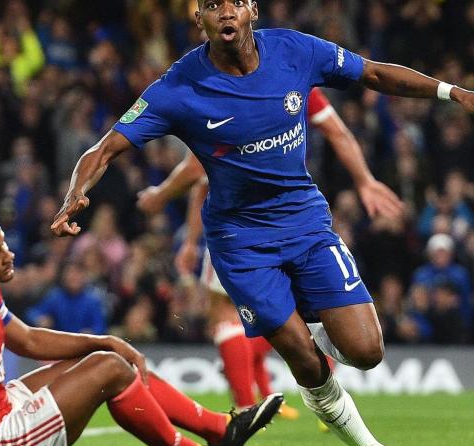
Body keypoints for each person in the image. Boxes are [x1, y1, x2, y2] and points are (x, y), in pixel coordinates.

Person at [51, 0, 474, 446]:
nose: (225, 9)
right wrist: (76, 192)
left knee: (366, 352)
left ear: (252, 9)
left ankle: (313, 338)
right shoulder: (178, 87)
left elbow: (371, 73)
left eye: (235, 0)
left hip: (305, 222)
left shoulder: (295, 51)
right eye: (212, 4)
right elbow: (107, 146)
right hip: (239, 242)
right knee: (299, 352)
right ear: (199, 19)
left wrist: (455, 94)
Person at [0, 208, 283, 446]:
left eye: (3, 244)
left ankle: (220, 428)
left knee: (103, 357)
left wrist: (106, 340)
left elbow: (27, 340)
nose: (9, 256)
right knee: (109, 370)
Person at [137, 88, 404, 417]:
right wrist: (364, 179)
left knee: (226, 314)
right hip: (297, 219)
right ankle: (280, 395)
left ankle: (247, 407)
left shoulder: (223, 94)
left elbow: (197, 173)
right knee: (295, 311)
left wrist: (160, 197)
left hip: (240, 231)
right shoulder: (299, 84)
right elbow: (338, 130)